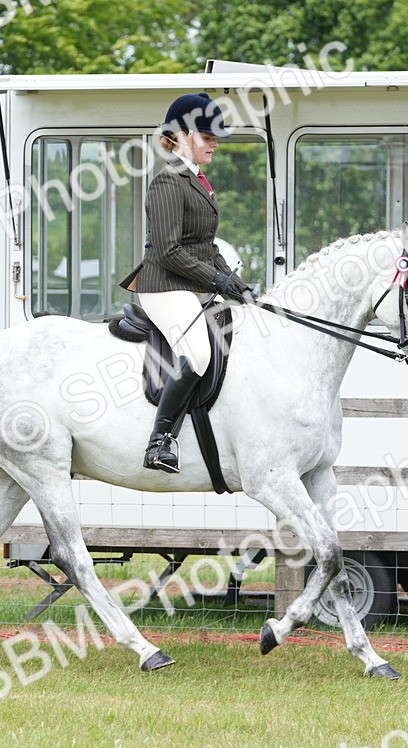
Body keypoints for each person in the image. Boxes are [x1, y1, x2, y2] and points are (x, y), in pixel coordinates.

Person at [118, 92, 252, 473]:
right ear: (181, 135)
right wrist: (217, 281)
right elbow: (169, 251)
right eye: (207, 137)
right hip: (162, 284)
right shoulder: (166, 182)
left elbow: (206, 247)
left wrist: (238, 285)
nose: (214, 144)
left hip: (189, 283)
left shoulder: (197, 181)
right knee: (198, 352)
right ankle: (159, 442)